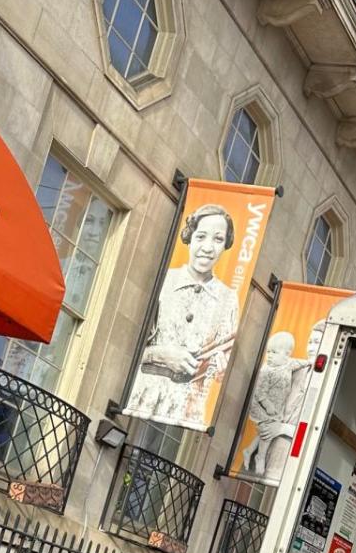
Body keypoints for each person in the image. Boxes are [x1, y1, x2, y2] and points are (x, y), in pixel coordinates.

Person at [127, 204, 240, 428]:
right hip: (142, 394)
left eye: (218, 239)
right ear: (190, 237)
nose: (208, 247)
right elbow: (125, 345)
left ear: (225, 245)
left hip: (186, 410)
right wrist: (161, 355)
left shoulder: (229, 299)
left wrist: (215, 366)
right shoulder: (165, 280)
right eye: (201, 237)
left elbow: (222, 372)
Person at [240, 328, 316, 481]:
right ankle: (253, 453)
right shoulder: (296, 371)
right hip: (261, 453)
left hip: (282, 463)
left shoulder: (321, 388)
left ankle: (254, 453)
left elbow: (310, 434)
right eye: (310, 342)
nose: (312, 347)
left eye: (318, 342)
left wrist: (282, 428)